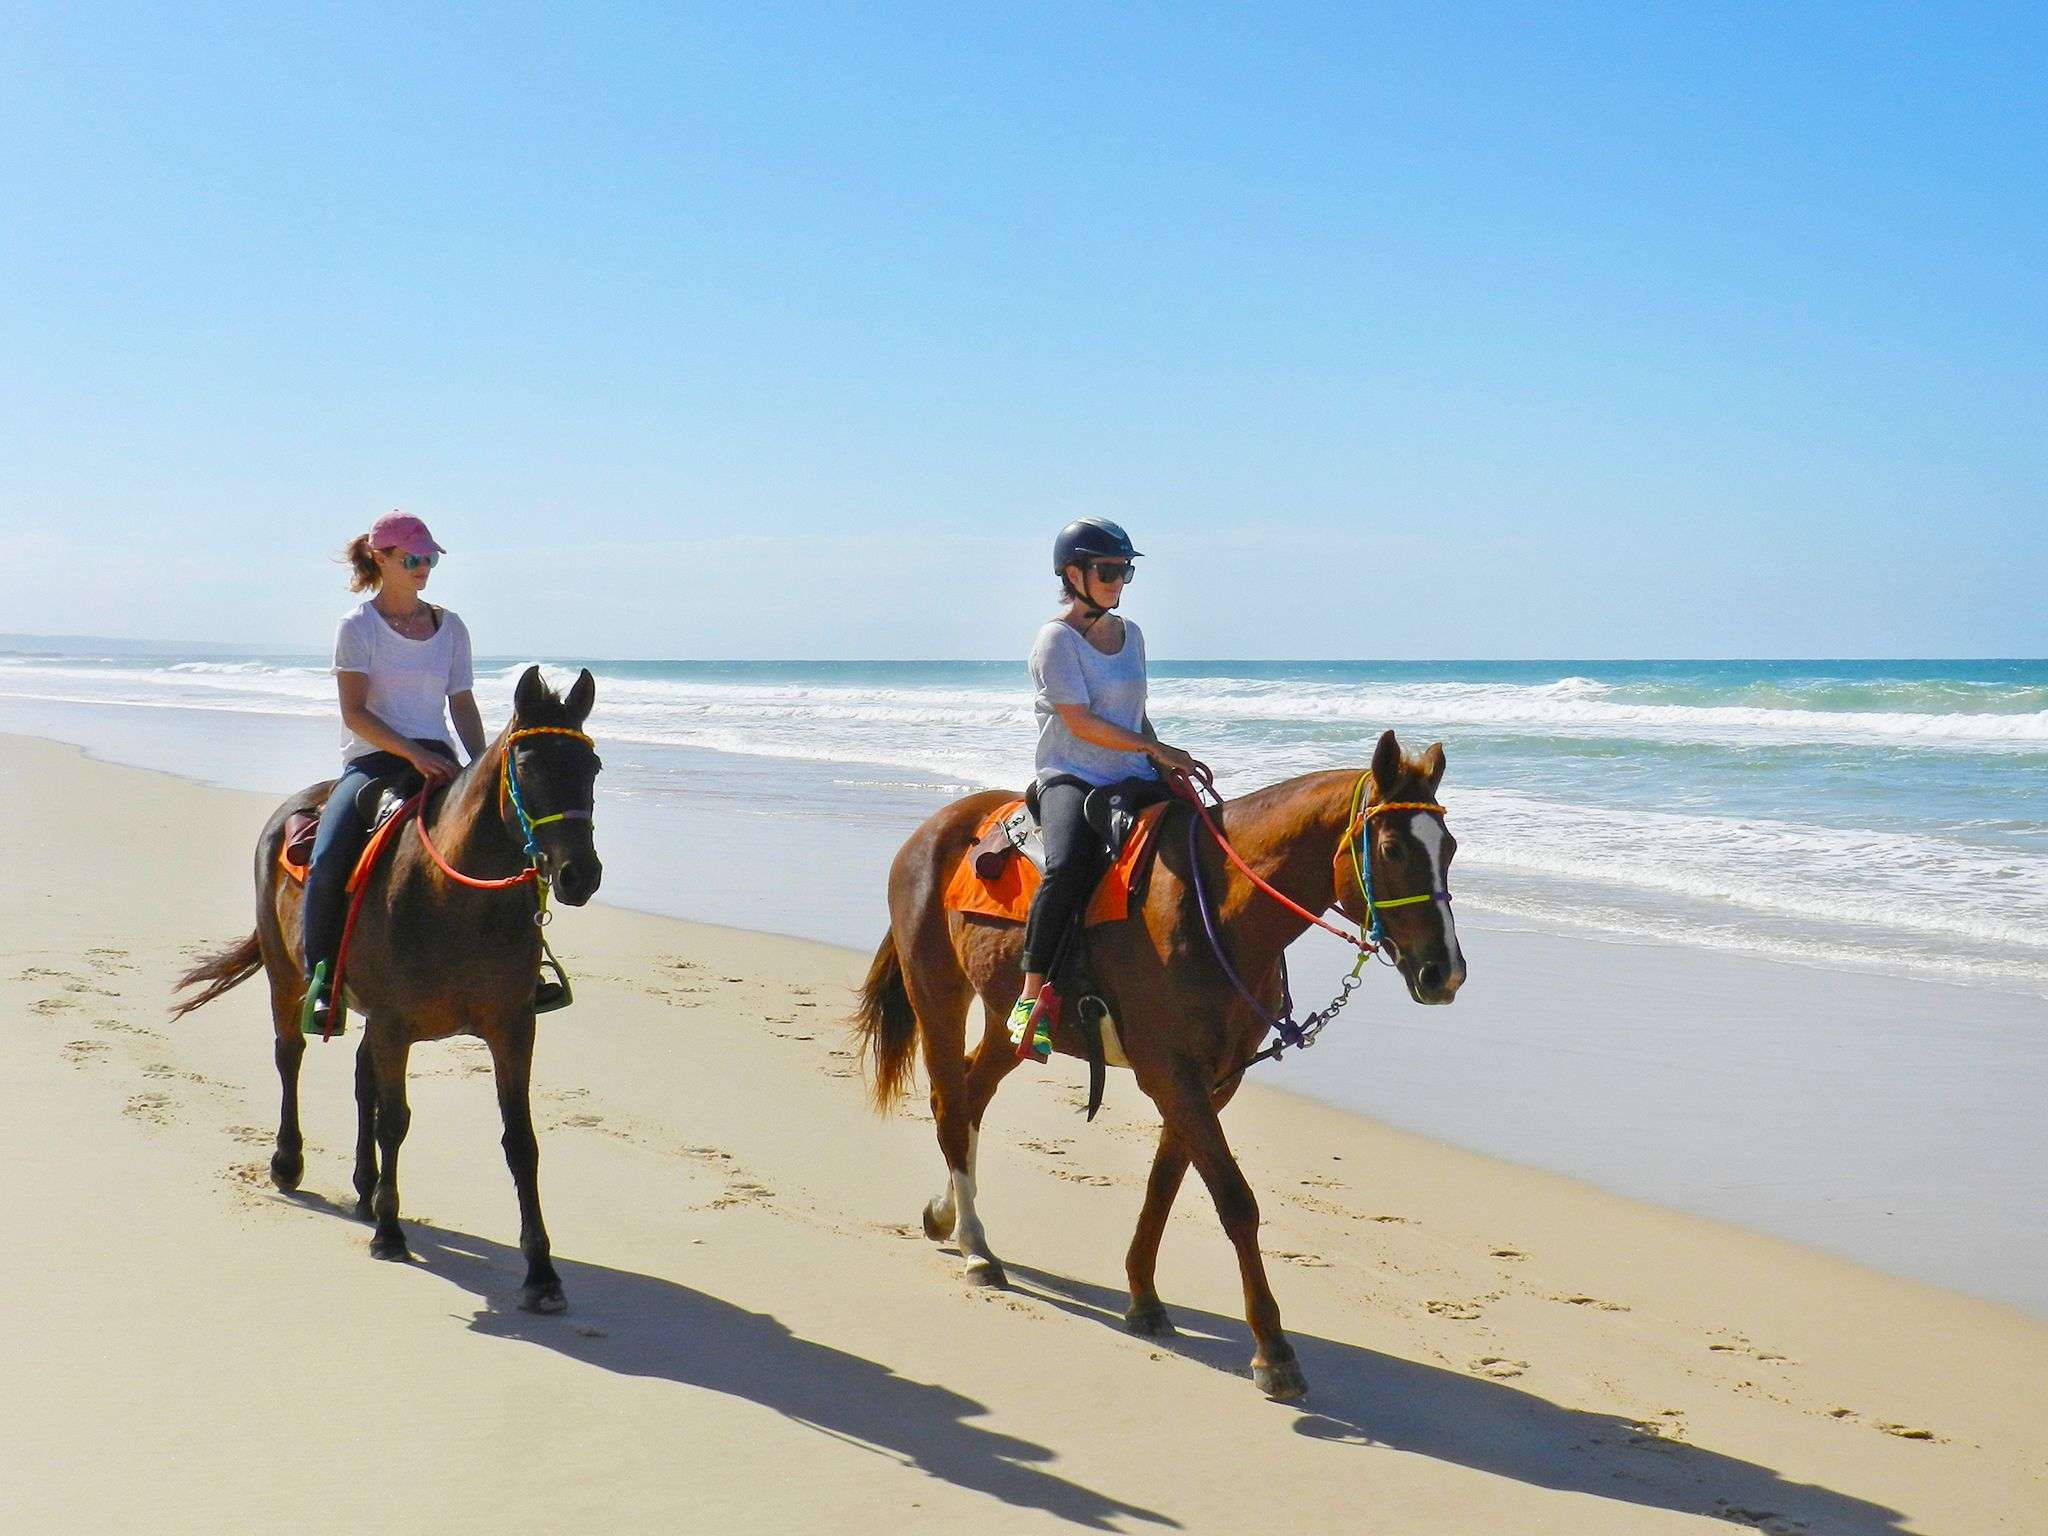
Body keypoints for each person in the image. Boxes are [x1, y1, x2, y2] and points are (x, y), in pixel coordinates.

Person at [1008, 518, 1210, 1061]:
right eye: (1108, 570)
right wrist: (1153, 751)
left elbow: (1133, 715)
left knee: (1203, 838)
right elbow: (1080, 722)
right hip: (1072, 774)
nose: (1118, 580)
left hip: (1134, 774)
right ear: (1073, 574)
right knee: (1069, 862)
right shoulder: (1056, 639)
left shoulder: (1132, 635)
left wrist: (1165, 757)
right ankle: (1031, 1001)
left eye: (1125, 570)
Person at [298, 512, 484, 1035]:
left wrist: (480, 765)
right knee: (331, 855)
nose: (424, 568)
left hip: (439, 755)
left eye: (430, 559)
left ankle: (527, 967)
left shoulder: (451, 627)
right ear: (381, 559)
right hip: (373, 760)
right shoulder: (358, 628)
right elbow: (355, 713)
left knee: (505, 836)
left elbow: (462, 703)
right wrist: (409, 754)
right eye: (413, 559)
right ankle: (324, 982)